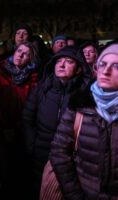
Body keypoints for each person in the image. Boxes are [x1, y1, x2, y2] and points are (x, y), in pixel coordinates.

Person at [50, 43, 118, 199]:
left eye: (116, 65)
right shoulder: (80, 104)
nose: (106, 70)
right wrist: (75, 194)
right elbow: (59, 152)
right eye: (103, 64)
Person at [22, 46, 92, 200]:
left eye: (68, 62)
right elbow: (28, 117)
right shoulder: (43, 88)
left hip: (71, 156)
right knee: (42, 189)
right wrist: (31, 144)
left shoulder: (84, 93)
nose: (61, 65)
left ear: (79, 69)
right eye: (58, 61)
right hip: (41, 151)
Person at [0, 41, 39, 199]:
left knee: (22, 169)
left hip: (24, 129)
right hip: (3, 127)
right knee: (5, 167)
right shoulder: (0, 73)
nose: (21, 55)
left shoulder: (33, 77)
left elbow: (33, 105)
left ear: (31, 59)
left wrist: (22, 125)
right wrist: (5, 127)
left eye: (26, 54)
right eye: (19, 51)